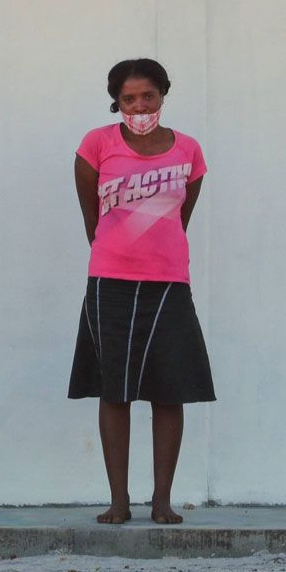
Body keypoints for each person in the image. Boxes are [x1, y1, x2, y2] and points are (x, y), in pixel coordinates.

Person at [69, 58, 215, 525]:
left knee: (168, 391)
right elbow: (92, 217)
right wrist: (117, 249)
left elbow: (181, 214)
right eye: (129, 98)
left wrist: (157, 251)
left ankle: (162, 500)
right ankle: (119, 500)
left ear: (163, 96)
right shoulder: (97, 145)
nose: (139, 106)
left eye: (147, 96)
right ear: (116, 101)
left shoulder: (188, 150)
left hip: (169, 283)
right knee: (115, 390)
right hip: (109, 281)